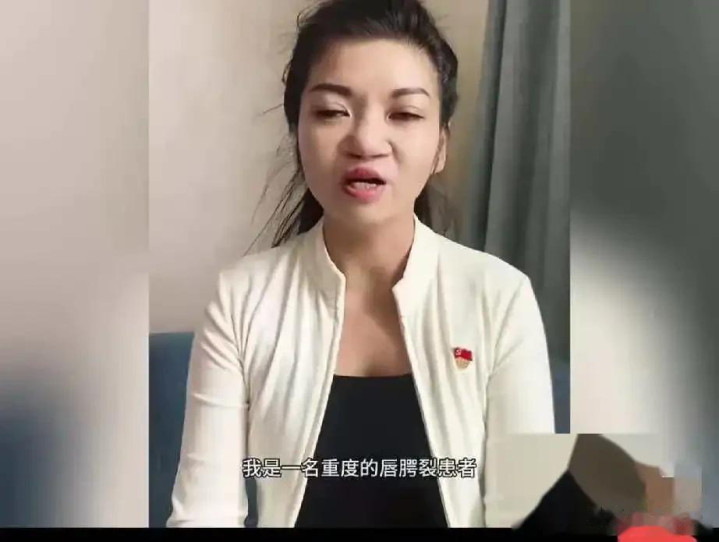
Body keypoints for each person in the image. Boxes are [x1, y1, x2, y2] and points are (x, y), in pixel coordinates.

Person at [166, 0, 555, 528]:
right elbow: (204, 515)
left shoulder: (500, 297)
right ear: (297, 132)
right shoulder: (242, 300)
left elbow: (529, 515)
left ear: (440, 146)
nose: (367, 142)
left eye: (404, 114)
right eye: (332, 111)